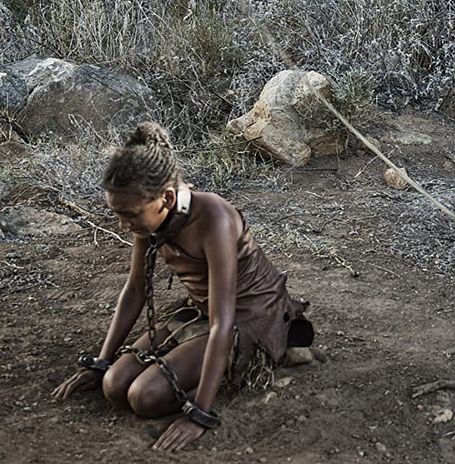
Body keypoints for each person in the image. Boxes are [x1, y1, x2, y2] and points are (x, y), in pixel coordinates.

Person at [51, 123, 310, 452]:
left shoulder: (214, 217)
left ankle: (240, 370)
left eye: (129, 215)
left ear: (167, 198)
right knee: (114, 385)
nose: (123, 225)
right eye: (117, 214)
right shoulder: (150, 214)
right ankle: (186, 366)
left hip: (247, 319)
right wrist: (101, 362)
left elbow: (223, 323)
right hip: (204, 311)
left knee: (144, 397)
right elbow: (135, 291)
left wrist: (199, 413)